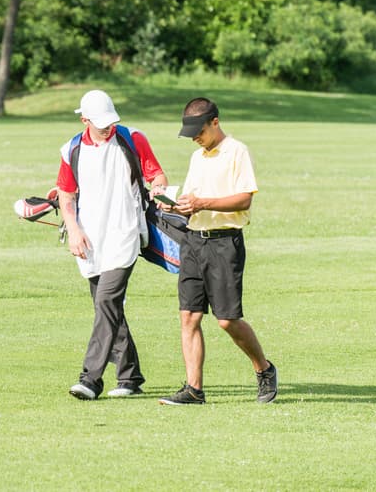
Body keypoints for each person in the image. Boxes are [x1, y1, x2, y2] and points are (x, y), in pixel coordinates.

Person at [157, 97, 277, 405]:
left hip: (225, 243)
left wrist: (201, 203)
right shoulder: (198, 157)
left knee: (227, 320)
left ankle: (263, 368)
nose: (195, 138)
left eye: (199, 131)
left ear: (215, 122)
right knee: (189, 316)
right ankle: (194, 390)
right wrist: (177, 206)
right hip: (194, 241)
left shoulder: (236, 151)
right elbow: (193, 199)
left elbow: (243, 199)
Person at [55, 89, 168, 400]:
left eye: (110, 121)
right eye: (100, 123)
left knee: (106, 301)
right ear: (84, 120)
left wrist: (159, 188)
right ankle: (130, 376)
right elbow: (66, 194)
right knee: (108, 306)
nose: (107, 127)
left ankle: (90, 379)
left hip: (125, 232)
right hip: (89, 238)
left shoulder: (132, 139)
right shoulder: (72, 149)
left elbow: (156, 174)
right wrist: (74, 230)